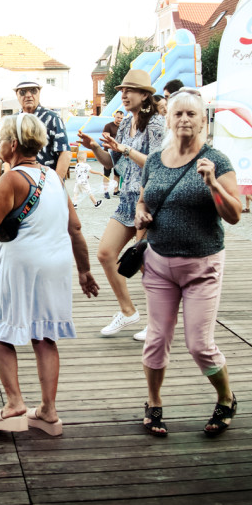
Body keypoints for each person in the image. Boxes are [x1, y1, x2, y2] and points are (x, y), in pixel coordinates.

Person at [0, 113, 98, 434]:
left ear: (12, 144)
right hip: (56, 265)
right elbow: (76, 227)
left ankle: (15, 405)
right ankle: (49, 412)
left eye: (1, 139)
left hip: (22, 266)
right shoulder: (53, 177)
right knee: (45, 336)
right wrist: (85, 271)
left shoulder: (12, 179)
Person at [135, 87, 242, 437]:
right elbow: (143, 200)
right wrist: (140, 214)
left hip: (202, 266)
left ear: (202, 120)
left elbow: (234, 214)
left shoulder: (217, 160)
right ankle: (153, 404)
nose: (183, 119)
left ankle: (226, 398)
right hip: (158, 263)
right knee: (156, 339)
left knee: (200, 345)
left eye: (191, 114)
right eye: (178, 113)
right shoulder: (154, 159)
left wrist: (212, 183)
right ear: (168, 118)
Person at [78, 68, 165, 339]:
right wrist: (95, 147)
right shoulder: (126, 123)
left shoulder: (156, 125)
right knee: (105, 254)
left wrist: (124, 149)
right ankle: (128, 312)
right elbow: (112, 165)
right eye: (121, 91)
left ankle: (159, 322)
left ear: (144, 95)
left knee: (146, 265)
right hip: (126, 198)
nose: (123, 95)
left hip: (148, 200)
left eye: (129, 91)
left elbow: (158, 165)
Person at [15, 78, 70, 180]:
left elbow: (65, 152)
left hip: (47, 182)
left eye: (33, 91)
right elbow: (7, 156)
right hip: (20, 183)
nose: (28, 95)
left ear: (39, 93)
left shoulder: (53, 118)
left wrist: (56, 183)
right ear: (16, 95)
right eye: (23, 92)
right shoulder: (13, 120)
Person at [101, 110, 124, 199]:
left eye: (121, 118)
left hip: (119, 152)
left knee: (117, 173)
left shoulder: (123, 127)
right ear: (114, 116)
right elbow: (106, 138)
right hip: (109, 151)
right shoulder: (108, 126)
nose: (119, 120)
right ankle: (106, 191)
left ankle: (116, 190)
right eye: (118, 117)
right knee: (107, 172)